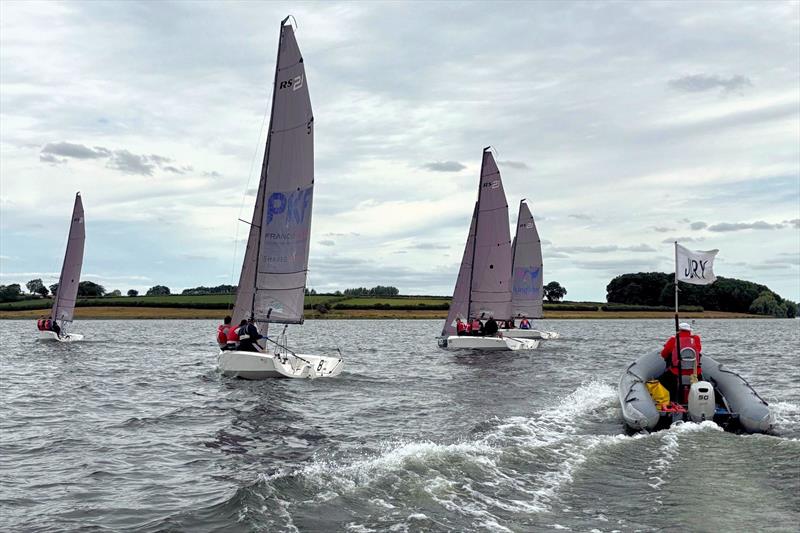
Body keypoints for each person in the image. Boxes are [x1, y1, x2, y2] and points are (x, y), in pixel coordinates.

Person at [660, 322, 703, 396]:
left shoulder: (673, 340)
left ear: (679, 330)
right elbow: (698, 350)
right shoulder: (696, 339)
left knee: (661, 381)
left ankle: (671, 398)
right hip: (695, 372)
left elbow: (664, 354)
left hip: (676, 372)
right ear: (689, 330)